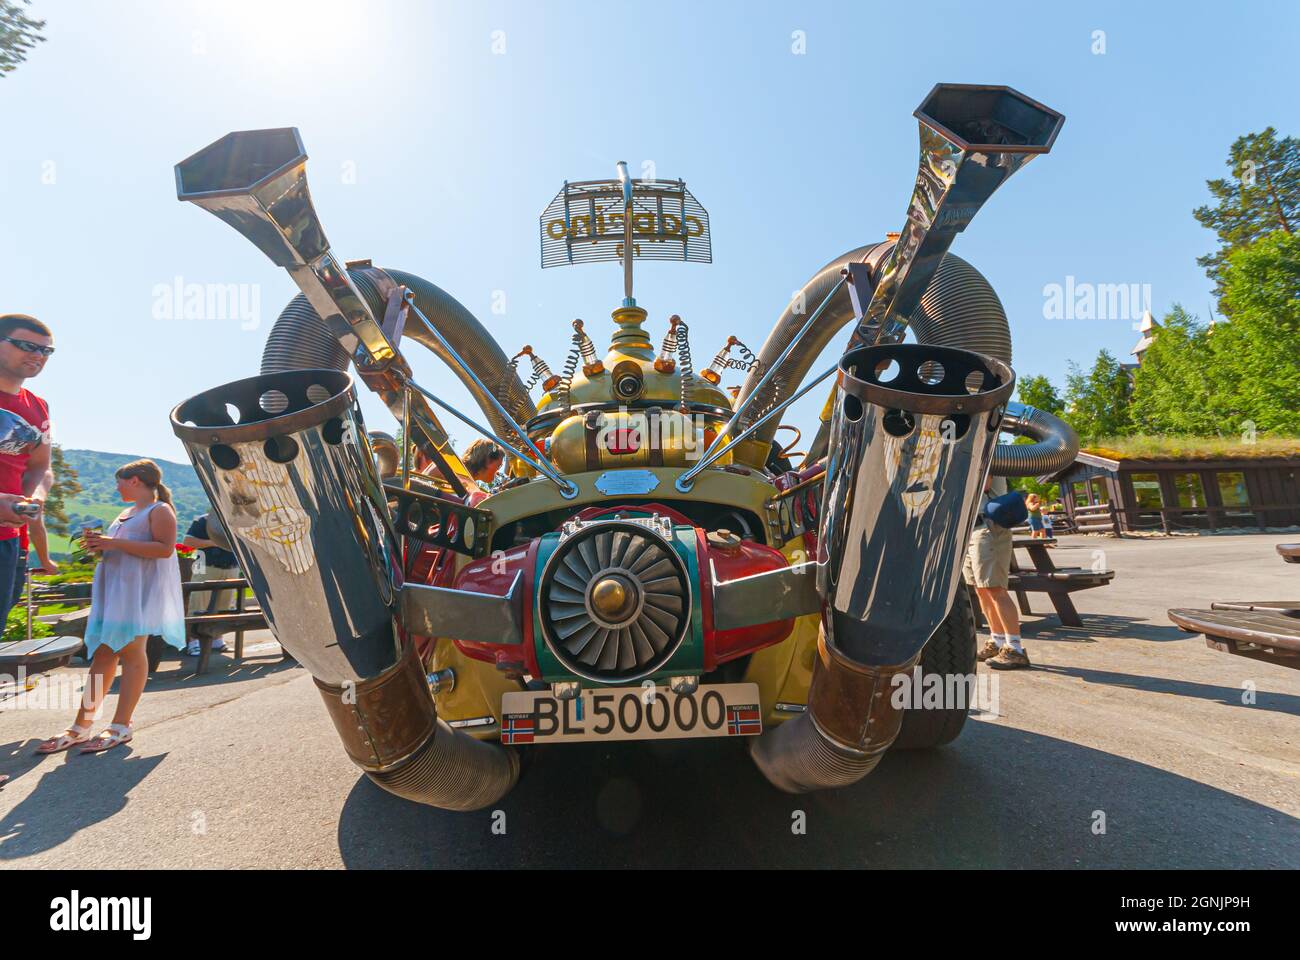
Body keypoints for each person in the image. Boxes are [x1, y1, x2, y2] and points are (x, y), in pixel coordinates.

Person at [35, 460, 186, 754]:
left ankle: (119, 725)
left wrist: (112, 544)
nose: (116, 487)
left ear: (136, 481)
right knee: (105, 653)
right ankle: (82, 725)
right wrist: (101, 545)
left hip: (137, 594)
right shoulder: (126, 513)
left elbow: (165, 549)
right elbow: (124, 547)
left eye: (120, 481)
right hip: (117, 592)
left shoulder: (159, 510)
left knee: (129, 652)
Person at [0, 314, 56, 618]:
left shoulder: (38, 406)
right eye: (25, 345)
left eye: (46, 351)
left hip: (8, 542)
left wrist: (35, 499)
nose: (37, 356)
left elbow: (41, 466)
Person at [964, 476, 1030, 670]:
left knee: (995, 589)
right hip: (973, 528)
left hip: (988, 526)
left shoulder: (988, 451)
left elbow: (982, 483)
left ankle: (1015, 649)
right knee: (981, 589)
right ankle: (998, 640)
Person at [182, 513, 240, 656]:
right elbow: (188, 541)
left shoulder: (236, 520)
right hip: (206, 566)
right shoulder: (204, 520)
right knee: (198, 604)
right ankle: (193, 642)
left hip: (231, 567)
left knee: (224, 605)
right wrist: (213, 542)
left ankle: (217, 640)